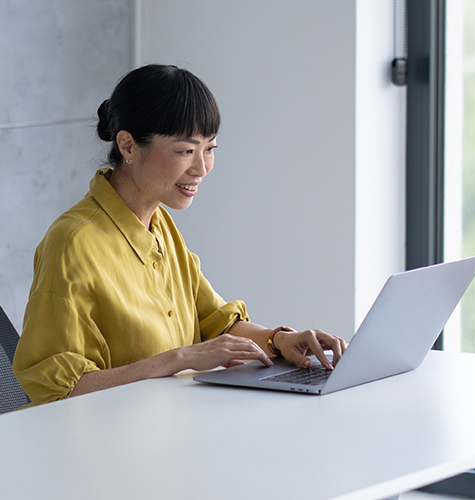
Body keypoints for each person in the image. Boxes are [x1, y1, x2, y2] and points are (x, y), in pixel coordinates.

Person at [13, 64, 346, 406]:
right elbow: (55, 389)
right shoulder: (73, 242)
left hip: (177, 429)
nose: (201, 168)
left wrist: (279, 340)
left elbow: (215, 324)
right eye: (185, 151)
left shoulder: (159, 223)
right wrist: (178, 359)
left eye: (210, 149)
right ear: (127, 145)